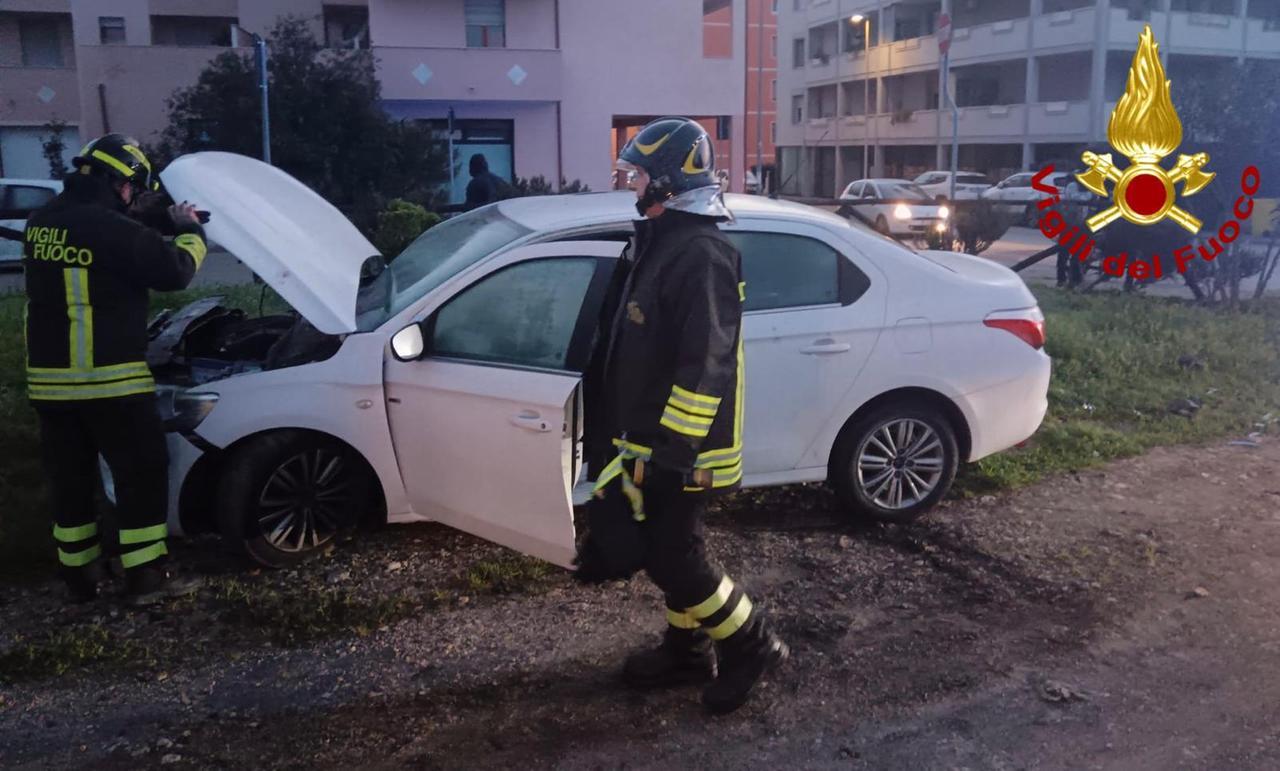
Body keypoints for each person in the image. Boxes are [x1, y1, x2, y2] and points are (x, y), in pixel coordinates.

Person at [575, 117, 788, 715]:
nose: (629, 183)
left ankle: (751, 643)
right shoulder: (661, 241)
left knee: (675, 556)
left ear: (667, 184)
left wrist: (672, 455)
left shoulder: (702, 255)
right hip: (650, 442)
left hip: (687, 449)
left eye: (637, 174)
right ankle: (685, 650)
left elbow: (706, 365)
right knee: (667, 546)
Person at [23, 133, 207, 606]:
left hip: (50, 385)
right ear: (117, 181)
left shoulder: (43, 221)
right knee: (141, 473)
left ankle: (79, 578)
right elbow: (176, 271)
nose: (134, 197)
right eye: (133, 188)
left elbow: (107, 233)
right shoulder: (112, 231)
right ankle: (146, 577)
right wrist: (189, 230)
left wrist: (152, 218)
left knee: (71, 481)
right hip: (109, 381)